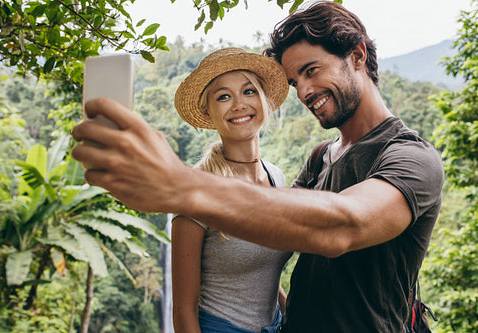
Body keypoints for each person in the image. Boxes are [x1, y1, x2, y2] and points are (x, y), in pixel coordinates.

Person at [71, 1, 444, 331]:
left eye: (312, 70)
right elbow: (276, 227)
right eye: (294, 81)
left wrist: (181, 185)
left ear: (358, 56)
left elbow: (344, 225)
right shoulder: (320, 157)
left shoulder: (411, 158)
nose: (304, 92)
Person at [171, 47, 292, 332]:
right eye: (223, 96)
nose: (238, 104)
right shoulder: (197, 192)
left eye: (249, 91)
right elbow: (183, 310)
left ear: (265, 100)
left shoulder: (276, 178)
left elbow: (262, 274)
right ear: (207, 110)